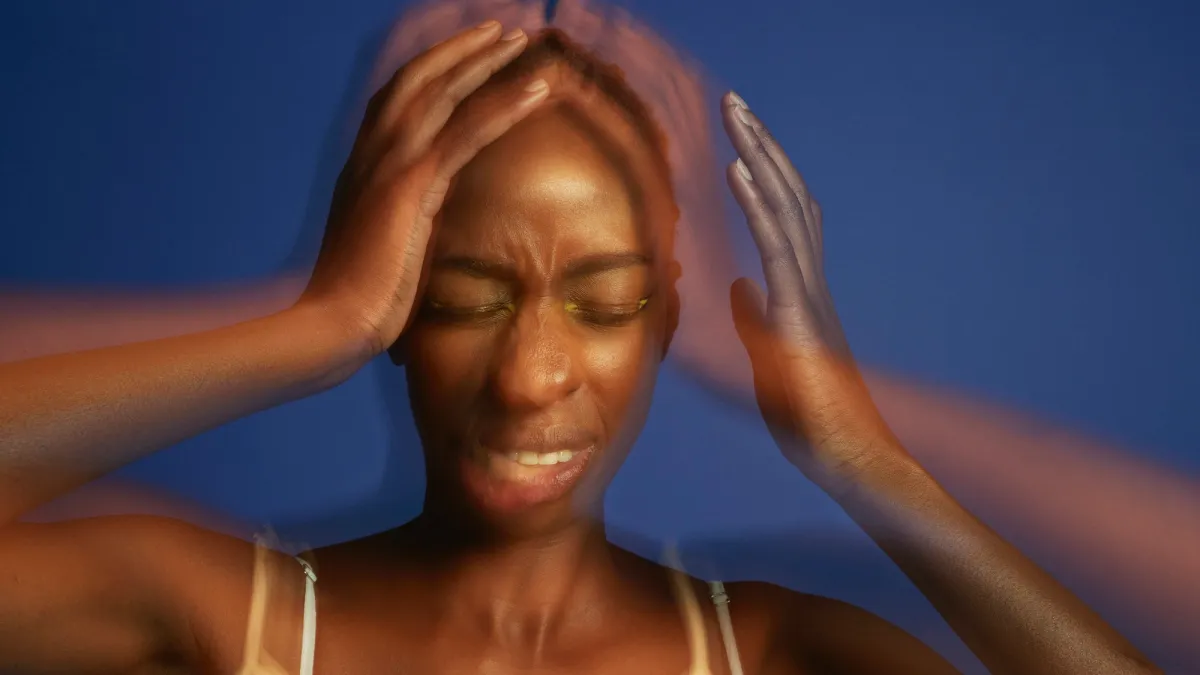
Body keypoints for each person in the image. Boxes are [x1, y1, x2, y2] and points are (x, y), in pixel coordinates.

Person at [0, 18, 1163, 675]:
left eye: (603, 304)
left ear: (664, 317)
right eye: (463, 300)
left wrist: (866, 460)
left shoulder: (768, 651)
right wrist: (308, 326)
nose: (530, 379)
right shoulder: (225, 617)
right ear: (394, 315)